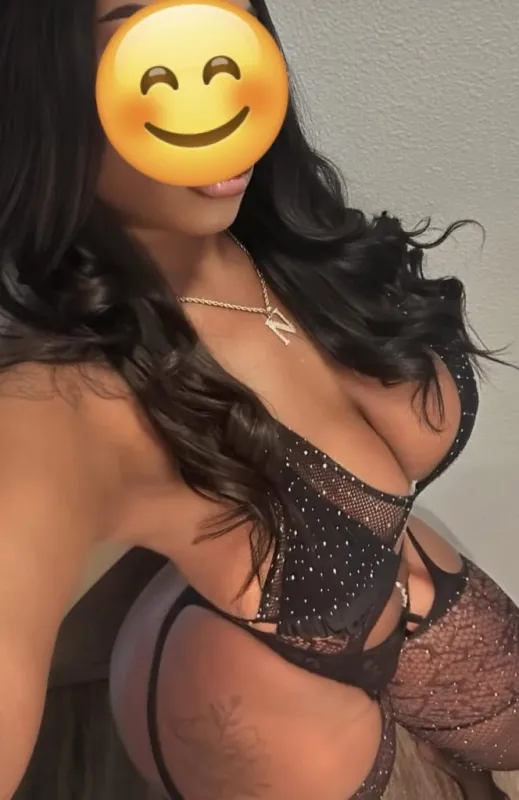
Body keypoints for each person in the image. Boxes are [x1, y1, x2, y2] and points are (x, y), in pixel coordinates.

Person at [0, 0, 517, 798]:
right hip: (245, 701)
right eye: (154, 48)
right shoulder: (62, 397)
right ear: (42, 81)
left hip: (399, 597)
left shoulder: (283, 244)